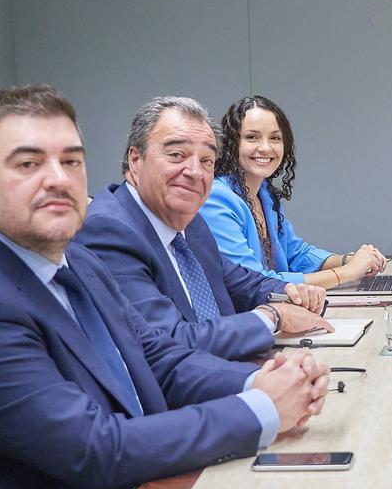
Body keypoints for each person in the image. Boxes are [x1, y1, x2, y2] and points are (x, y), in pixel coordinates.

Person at [0, 85, 329, 489]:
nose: (57, 180)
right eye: (28, 164)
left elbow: (159, 356)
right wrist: (259, 410)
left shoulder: (75, 258)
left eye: (71, 161)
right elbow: (95, 451)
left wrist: (263, 382)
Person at [76, 96, 332, 362]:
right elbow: (169, 342)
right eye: (177, 155)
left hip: (226, 371)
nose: (195, 172)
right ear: (135, 159)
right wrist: (273, 317)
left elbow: (241, 282)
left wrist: (290, 293)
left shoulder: (190, 221)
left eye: (207, 160)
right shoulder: (110, 230)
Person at [200, 95, 387, 289]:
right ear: (232, 143)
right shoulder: (216, 198)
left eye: (275, 138)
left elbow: (296, 253)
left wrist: (349, 260)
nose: (265, 147)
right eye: (251, 137)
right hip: (244, 315)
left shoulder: (264, 194)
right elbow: (255, 282)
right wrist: (346, 273)